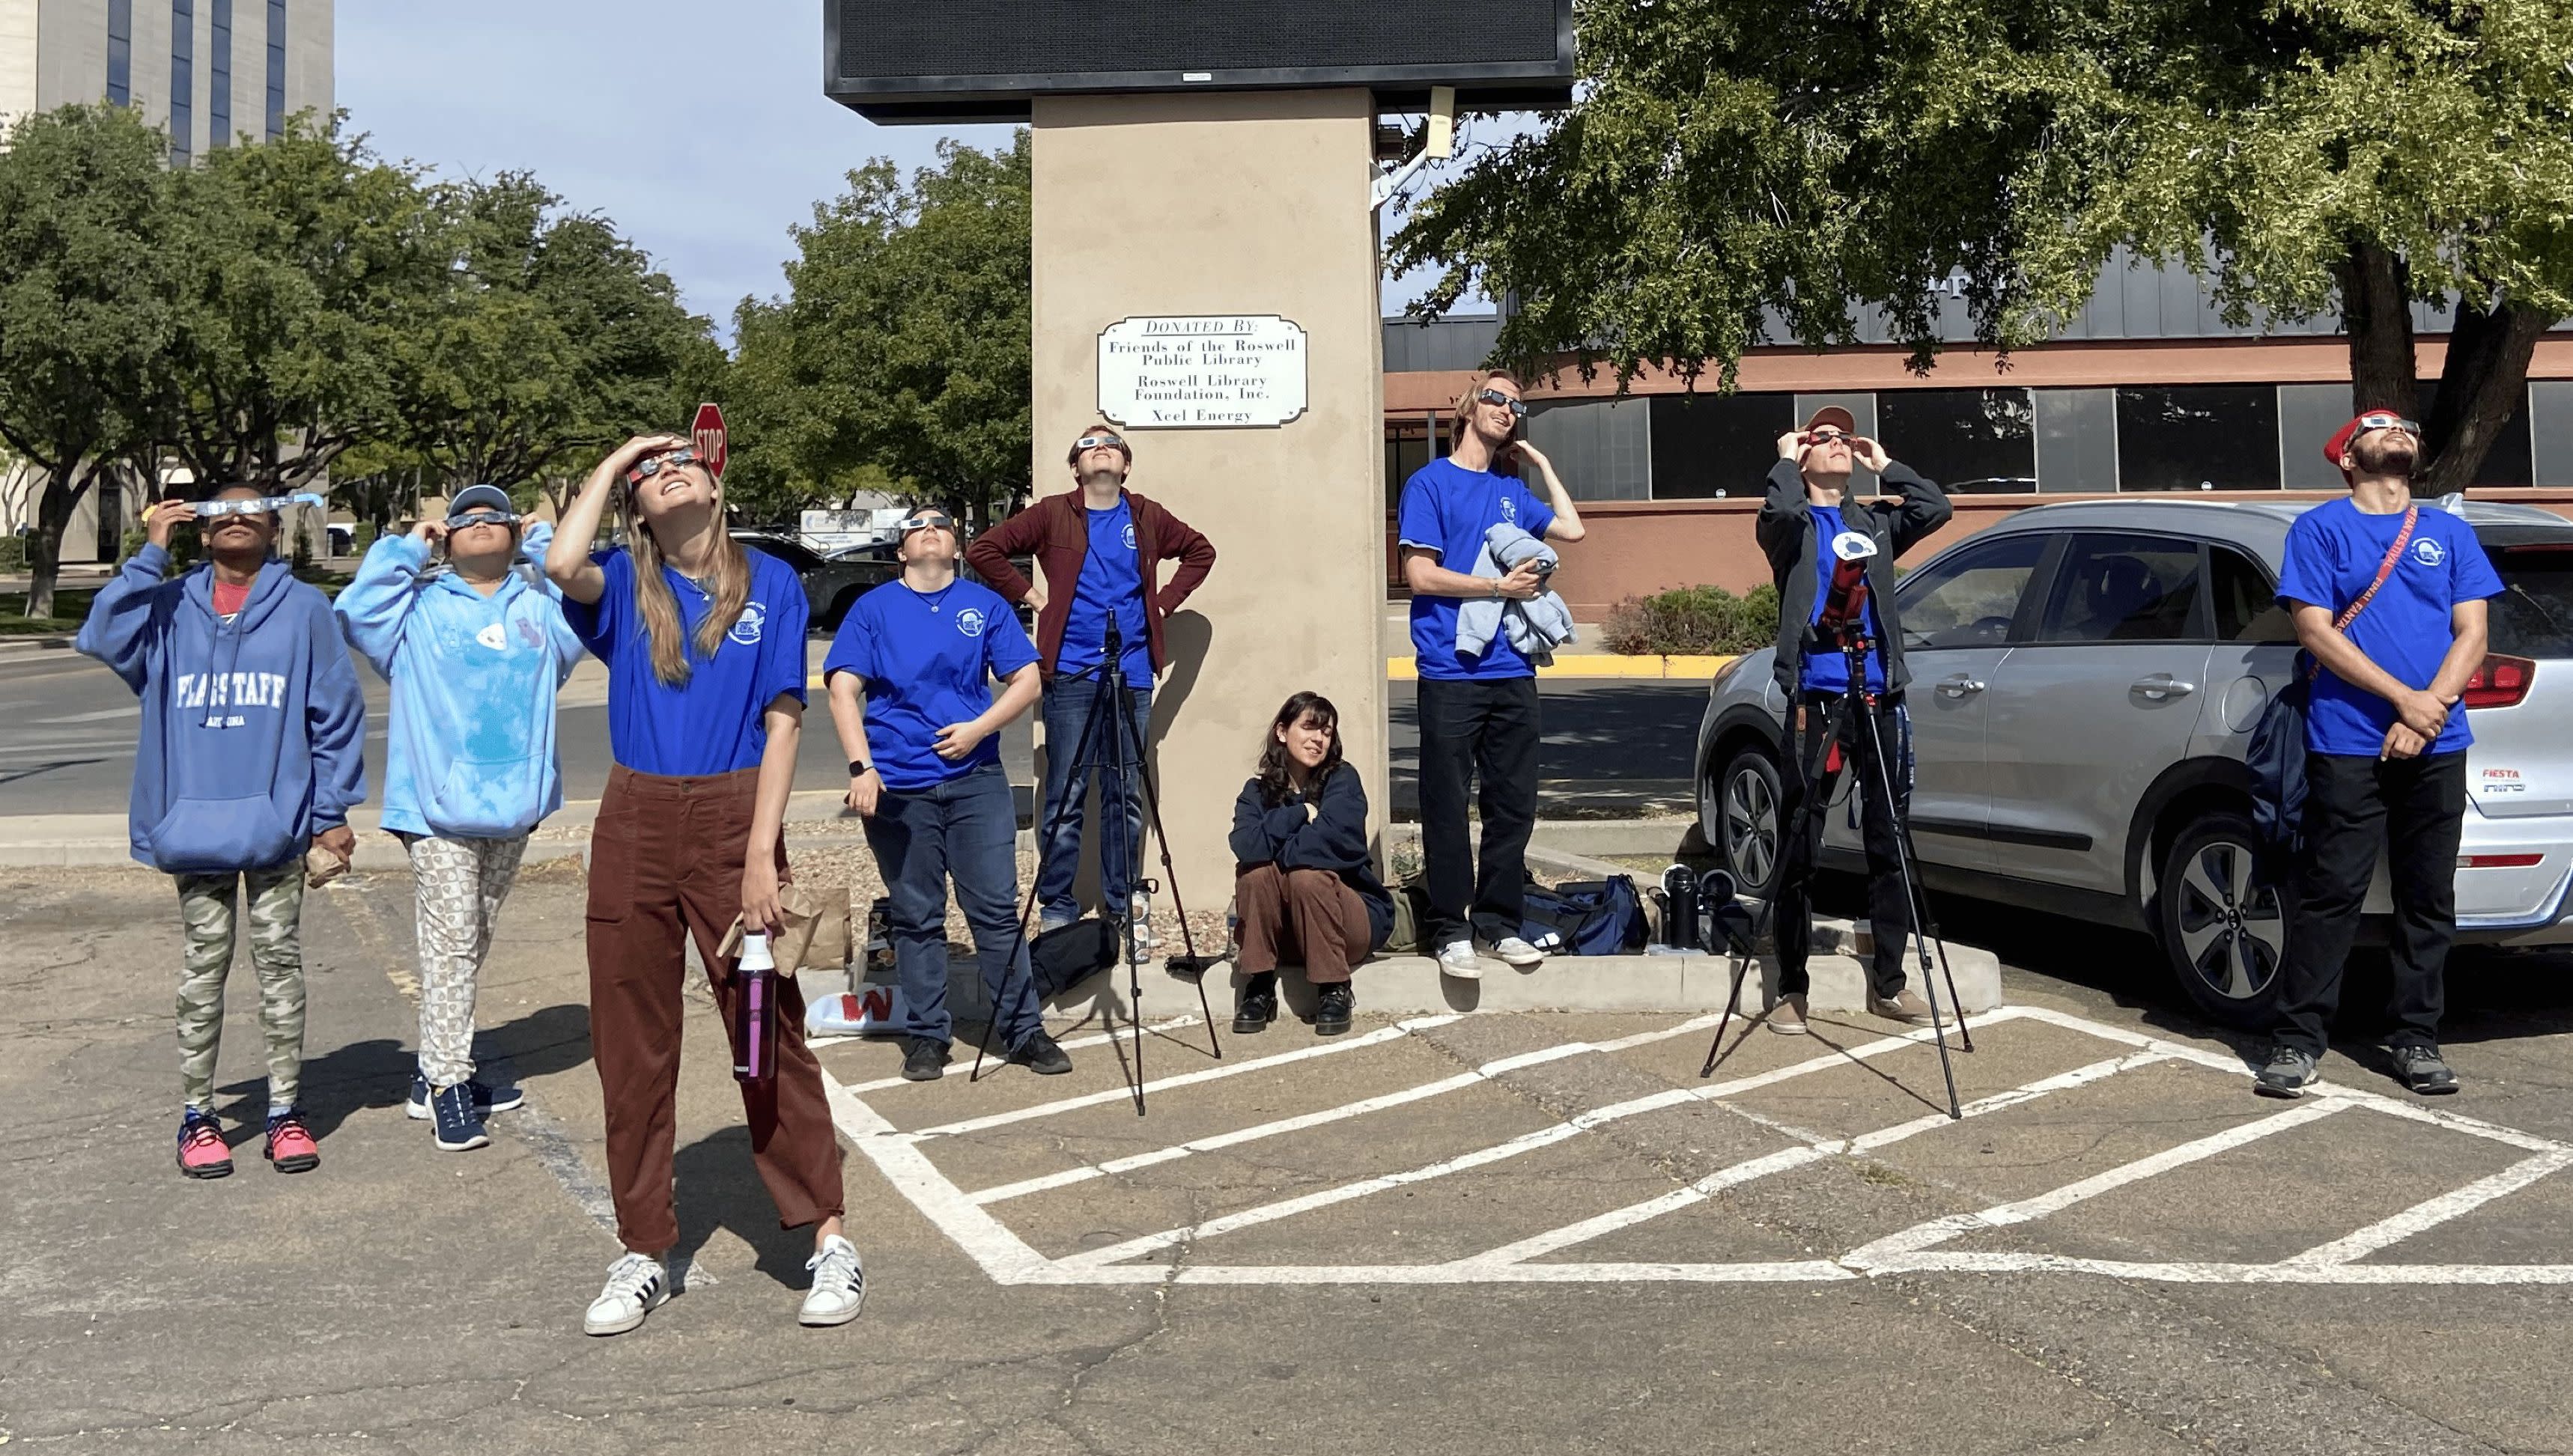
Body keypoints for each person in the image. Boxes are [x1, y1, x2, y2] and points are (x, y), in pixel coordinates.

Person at [544, 433, 860, 1335]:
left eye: (681, 459)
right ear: (634, 508)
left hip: (736, 818)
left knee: (768, 1030)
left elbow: (785, 718)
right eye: (647, 474)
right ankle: (645, 1248)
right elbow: (560, 560)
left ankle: (826, 1237)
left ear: (717, 485)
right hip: (635, 813)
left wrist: (764, 854)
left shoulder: (772, 582)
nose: (664, 469)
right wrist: (614, 462)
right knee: (631, 1043)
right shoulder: (620, 583)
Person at [76, 485, 365, 1179]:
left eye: (252, 510)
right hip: (192, 821)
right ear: (200, 533)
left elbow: (335, 713)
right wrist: (149, 552)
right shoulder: (169, 604)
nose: (235, 518)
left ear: (274, 525)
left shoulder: (305, 610)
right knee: (204, 969)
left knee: (279, 965)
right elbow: (104, 633)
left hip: (277, 822)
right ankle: (199, 1114)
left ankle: (284, 1111)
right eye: (217, 513)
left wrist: (331, 812)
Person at [2255, 411, 2503, 1100]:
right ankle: (2299, 1039)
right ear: (2349, 458)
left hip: (2437, 740)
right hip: (2346, 739)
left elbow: (2473, 632)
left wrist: (2429, 714)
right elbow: (2315, 631)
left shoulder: (2450, 532)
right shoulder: (2320, 529)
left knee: (2428, 896)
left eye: (2407, 426)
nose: (2398, 430)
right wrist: (2405, 699)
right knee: (2332, 892)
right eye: (2378, 425)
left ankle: (2415, 1036)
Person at [334, 484, 583, 1152]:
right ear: (446, 535)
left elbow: (590, 603)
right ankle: (446, 1085)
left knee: (471, 939)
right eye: (464, 518)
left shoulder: (538, 605)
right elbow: (355, 608)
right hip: (435, 809)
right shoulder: (416, 608)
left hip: (512, 806)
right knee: (451, 945)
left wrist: (542, 541)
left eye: (494, 518)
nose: (479, 525)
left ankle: (432, 1069)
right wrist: (408, 547)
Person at [827, 506, 1071, 1084]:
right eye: (917, 527)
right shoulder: (873, 609)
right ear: (901, 552)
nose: (931, 530)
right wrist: (862, 767)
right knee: (916, 914)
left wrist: (980, 728)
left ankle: (1024, 1030)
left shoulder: (983, 606)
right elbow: (842, 689)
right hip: (898, 786)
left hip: (974, 782)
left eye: (941, 525)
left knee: (993, 910)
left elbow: (1028, 680)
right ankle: (929, 1036)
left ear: (956, 548)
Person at [965, 425, 1216, 953]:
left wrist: (1162, 605)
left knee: (1125, 792)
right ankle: (1058, 905)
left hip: (1132, 673)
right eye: (1087, 445)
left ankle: (1123, 901)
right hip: (1072, 670)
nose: (1099, 448)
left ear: (1125, 465)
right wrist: (1036, 597)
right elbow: (985, 549)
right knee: (1066, 792)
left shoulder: (1146, 514)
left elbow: (1200, 551)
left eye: (1110, 445)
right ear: (1076, 467)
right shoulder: (1054, 513)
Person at [1755, 406, 1954, 1034]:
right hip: (1817, 698)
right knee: (1800, 842)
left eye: (1844, 437)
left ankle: (1890, 984)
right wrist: (1786, 456)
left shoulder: (1875, 522)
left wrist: (1884, 463)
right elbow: (1781, 513)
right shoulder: (1791, 525)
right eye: (1824, 439)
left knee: (1887, 838)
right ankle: (1790, 985)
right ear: (1805, 458)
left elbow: (1935, 508)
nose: (1838, 444)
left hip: (1879, 696)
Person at [1396, 370, 1586, 980]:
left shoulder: (1511, 490)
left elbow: (1572, 528)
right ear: (1470, 407)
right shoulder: (1429, 484)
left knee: (1513, 804)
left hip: (1513, 670)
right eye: (1498, 399)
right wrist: (1495, 586)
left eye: (1517, 405)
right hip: (1451, 671)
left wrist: (1543, 463)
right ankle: (1451, 929)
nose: (1509, 410)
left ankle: (1500, 923)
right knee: (1447, 804)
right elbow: (1420, 576)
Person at [1228, 692, 1394, 1038]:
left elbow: (1335, 840)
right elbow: (1245, 846)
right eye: (1309, 727)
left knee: (1306, 877)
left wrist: (1276, 849)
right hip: (1290, 930)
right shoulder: (1256, 792)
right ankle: (1259, 985)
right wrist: (1301, 813)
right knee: (1255, 874)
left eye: (1327, 732)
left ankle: (1334, 987)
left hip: (1349, 924)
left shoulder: (1343, 780)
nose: (1318, 739)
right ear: (1282, 731)